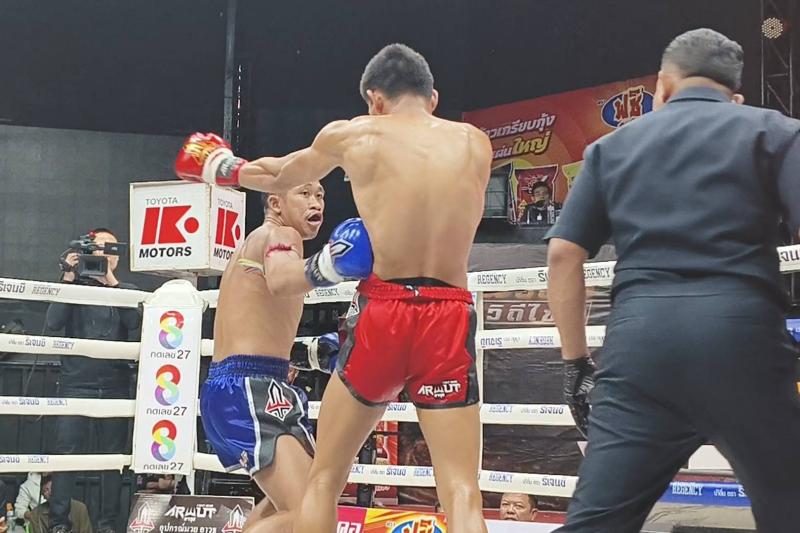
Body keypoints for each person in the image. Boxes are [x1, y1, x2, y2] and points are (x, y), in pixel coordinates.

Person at [175, 43, 492, 533]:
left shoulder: (356, 134)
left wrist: (219, 166)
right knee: (462, 491)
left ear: (374, 99)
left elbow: (277, 175)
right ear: (433, 98)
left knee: (323, 482)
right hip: (448, 314)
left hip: (384, 309)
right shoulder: (475, 143)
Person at [545, 28, 800, 532]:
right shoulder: (775, 131)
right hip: (743, 339)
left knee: (596, 523)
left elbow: (562, 255)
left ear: (662, 85)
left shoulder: (611, 147)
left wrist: (575, 364)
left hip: (640, 349)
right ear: (733, 93)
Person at [183, 183, 369, 533]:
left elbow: (258, 322)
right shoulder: (281, 234)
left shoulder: (258, 242)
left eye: (320, 195)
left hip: (253, 383)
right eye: (305, 194)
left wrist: (305, 354)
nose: (316, 202)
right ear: (275, 203)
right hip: (249, 388)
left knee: (312, 499)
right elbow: (283, 280)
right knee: (310, 513)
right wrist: (331, 264)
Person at [45, 229, 140, 533]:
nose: (103, 253)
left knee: (111, 462)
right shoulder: (73, 287)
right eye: (97, 248)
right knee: (65, 457)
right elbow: (53, 322)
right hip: (75, 384)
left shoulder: (125, 289)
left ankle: (108, 525)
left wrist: (110, 280)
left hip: (115, 386)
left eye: (110, 248)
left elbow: (134, 323)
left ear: (117, 256)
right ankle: (59, 524)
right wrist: (68, 277)